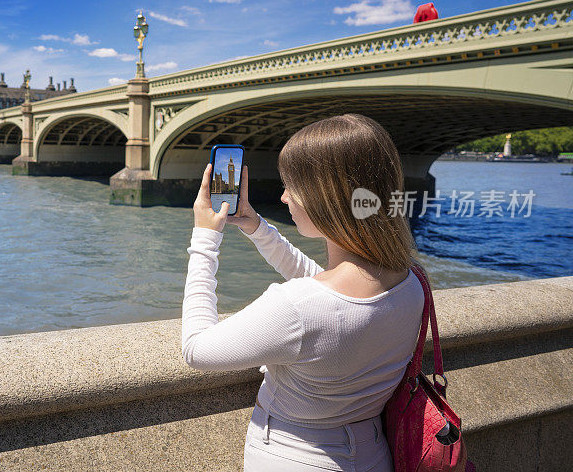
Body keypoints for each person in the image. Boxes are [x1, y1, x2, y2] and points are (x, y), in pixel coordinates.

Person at [182, 113, 426, 472]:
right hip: (374, 454)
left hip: (293, 458)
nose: (282, 197)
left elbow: (197, 349)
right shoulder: (411, 282)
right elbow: (331, 293)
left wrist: (205, 239)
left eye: (291, 186)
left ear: (326, 196)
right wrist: (256, 227)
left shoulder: (296, 306)